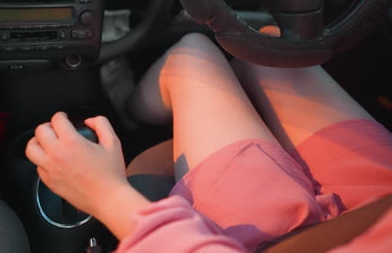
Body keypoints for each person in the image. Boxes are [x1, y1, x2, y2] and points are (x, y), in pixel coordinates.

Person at [25, 33, 392, 252]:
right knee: (266, 47)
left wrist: (106, 194)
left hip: (285, 240)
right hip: (379, 204)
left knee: (193, 54)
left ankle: (128, 114)